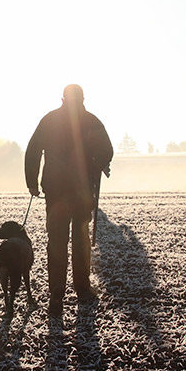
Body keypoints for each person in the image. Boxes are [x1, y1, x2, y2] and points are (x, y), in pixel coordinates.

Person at [25, 84, 113, 318]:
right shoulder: (91, 120)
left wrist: (32, 182)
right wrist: (94, 167)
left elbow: (33, 151)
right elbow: (107, 151)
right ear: (82, 98)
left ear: (63, 99)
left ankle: (56, 294)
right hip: (82, 190)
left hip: (55, 190)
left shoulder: (50, 120)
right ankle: (82, 288)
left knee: (56, 242)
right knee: (81, 239)